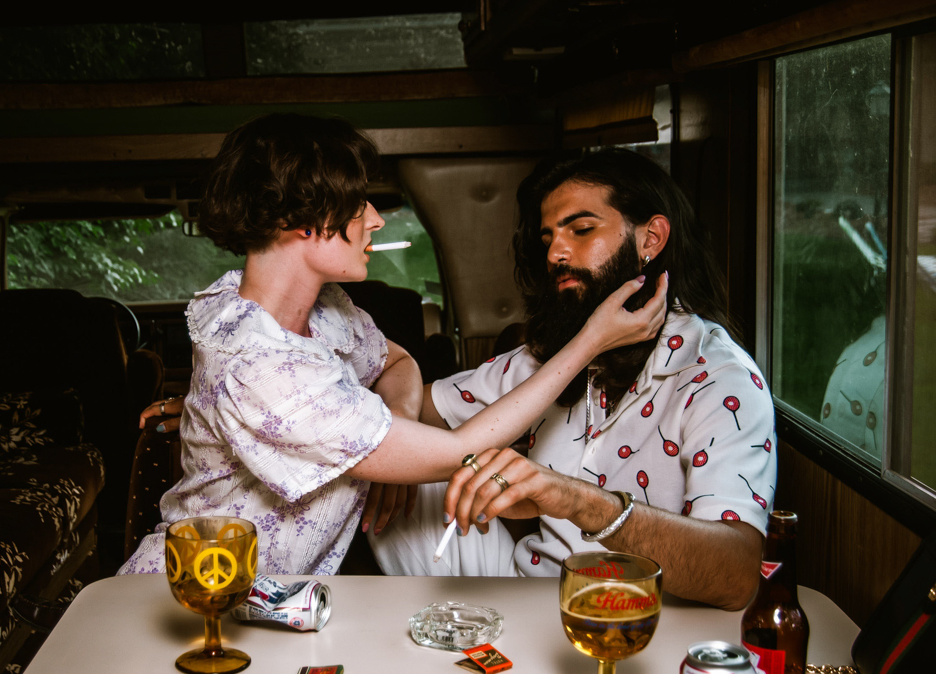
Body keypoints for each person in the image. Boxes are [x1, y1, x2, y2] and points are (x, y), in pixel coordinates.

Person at [121, 115, 669, 576]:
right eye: (358, 204)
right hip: (203, 590)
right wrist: (591, 339)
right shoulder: (261, 366)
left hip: (279, 598)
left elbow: (399, 360)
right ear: (300, 221)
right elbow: (461, 453)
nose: (376, 219)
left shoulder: (323, 312)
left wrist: (393, 420)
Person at [369, 148, 771, 611]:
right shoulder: (546, 360)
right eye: (548, 238)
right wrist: (394, 441)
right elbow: (412, 407)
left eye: (581, 230)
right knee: (377, 461)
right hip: (529, 585)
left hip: (642, 611)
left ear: (651, 238)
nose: (556, 253)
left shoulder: (718, 379)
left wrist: (574, 500)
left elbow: (737, 576)